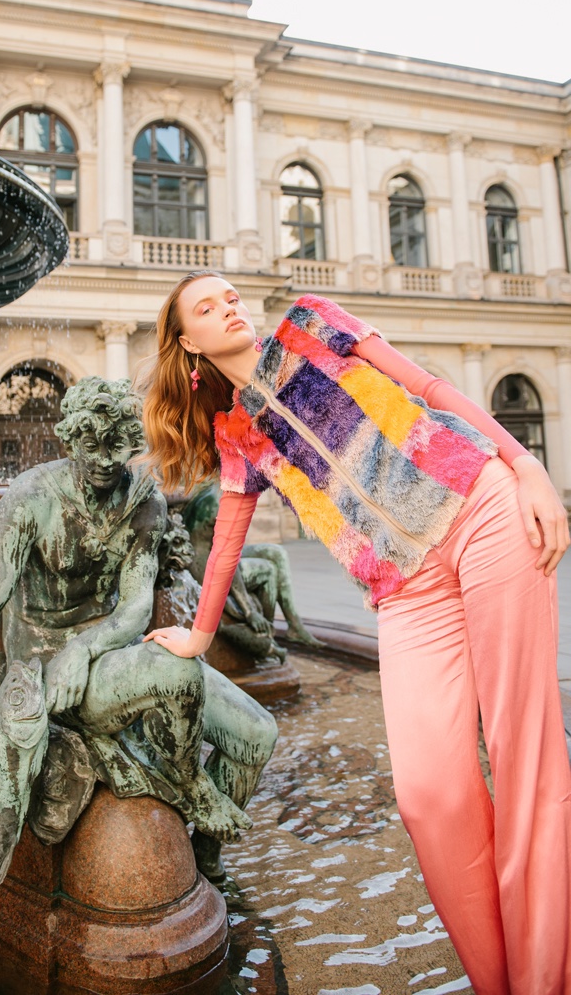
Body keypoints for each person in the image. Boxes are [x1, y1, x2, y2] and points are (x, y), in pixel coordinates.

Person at [142, 270, 571, 995]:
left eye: (231, 296)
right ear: (188, 343)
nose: (230, 308)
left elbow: (430, 386)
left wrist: (525, 464)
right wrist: (195, 633)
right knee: (429, 795)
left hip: (480, 510)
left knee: (522, 756)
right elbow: (224, 542)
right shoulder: (237, 431)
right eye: (208, 308)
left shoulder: (312, 320)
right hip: (404, 589)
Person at [0, 376, 275, 987]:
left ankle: (204, 861)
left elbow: (131, 611)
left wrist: (86, 649)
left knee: (258, 732)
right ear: (69, 438)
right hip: (43, 670)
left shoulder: (143, 501)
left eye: (116, 445)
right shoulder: (30, 498)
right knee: (170, 674)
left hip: (108, 655)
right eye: (89, 444)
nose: (102, 459)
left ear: (129, 443)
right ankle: (187, 784)